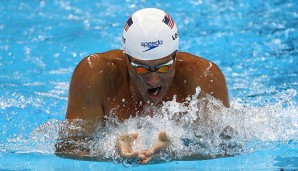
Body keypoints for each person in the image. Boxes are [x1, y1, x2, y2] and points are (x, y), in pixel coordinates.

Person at [55, 8, 230, 164]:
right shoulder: (94, 75)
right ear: (126, 58)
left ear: (175, 56)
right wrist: (111, 152)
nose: (153, 80)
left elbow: (229, 146)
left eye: (164, 67)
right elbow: (67, 148)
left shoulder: (203, 76)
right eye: (141, 68)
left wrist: (176, 151)